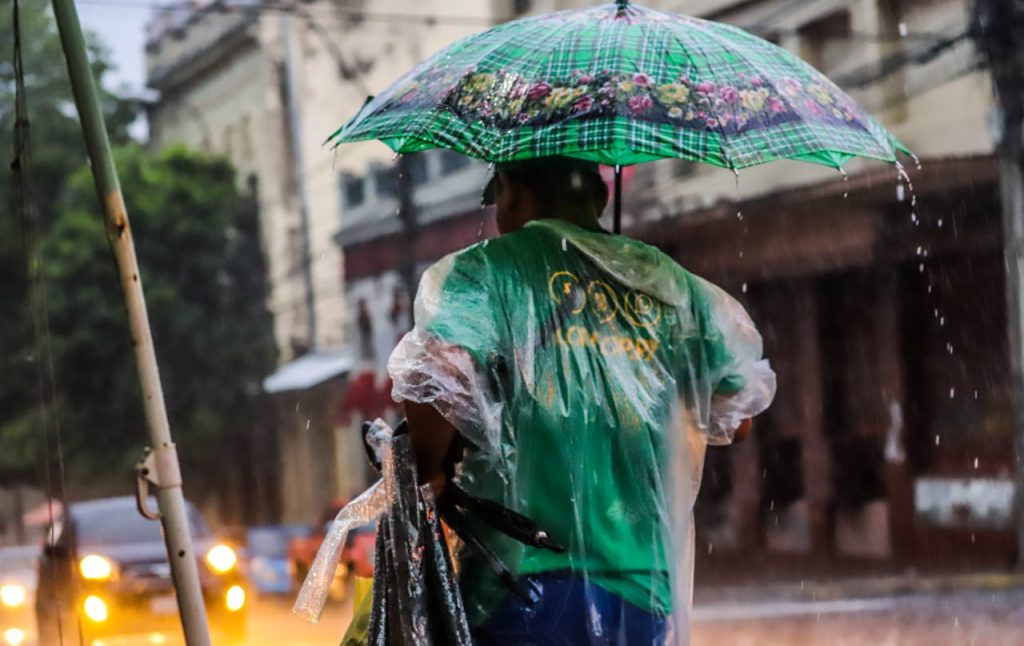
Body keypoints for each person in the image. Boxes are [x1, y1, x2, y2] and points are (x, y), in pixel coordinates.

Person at [388, 156, 776, 645]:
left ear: (509, 191)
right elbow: (736, 416)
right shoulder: (673, 287)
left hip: (518, 581)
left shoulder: (485, 272)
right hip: (641, 589)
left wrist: (427, 469)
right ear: (600, 198)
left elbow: (436, 377)